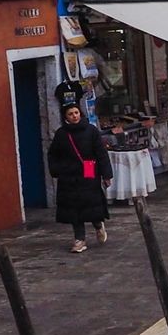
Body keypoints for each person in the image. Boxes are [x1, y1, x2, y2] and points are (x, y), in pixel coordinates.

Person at [48, 94, 112, 253]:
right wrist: (56, 170)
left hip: (88, 168)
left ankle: (98, 224)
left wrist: (106, 175)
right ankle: (79, 239)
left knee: (90, 202)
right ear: (66, 117)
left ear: (80, 113)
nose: (74, 116)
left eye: (76, 113)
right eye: (70, 114)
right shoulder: (61, 134)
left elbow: (101, 153)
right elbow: (53, 154)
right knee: (74, 208)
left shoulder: (91, 131)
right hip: (69, 175)